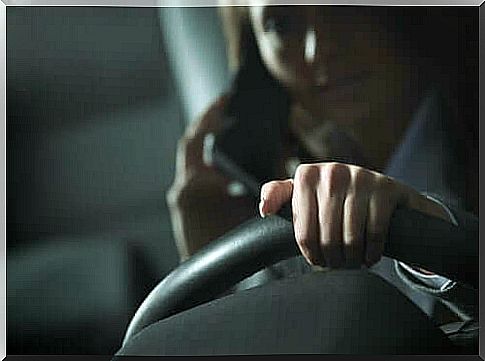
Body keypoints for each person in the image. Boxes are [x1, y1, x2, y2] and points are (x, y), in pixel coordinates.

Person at [167, 5, 477, 268]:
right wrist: (212, 265)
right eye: (281, 24)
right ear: (255, 63)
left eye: (345, 5)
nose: (319, 49)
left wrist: (434, 233)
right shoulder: (285, 214)